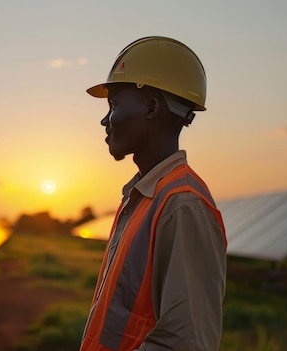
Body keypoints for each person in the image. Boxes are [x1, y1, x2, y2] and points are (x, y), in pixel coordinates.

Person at [80, 36, 227, 351]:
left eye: (114, 105)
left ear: (151, 107)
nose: (105, 120)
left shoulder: (182, 205)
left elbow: (186, 344)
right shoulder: (144, 198)